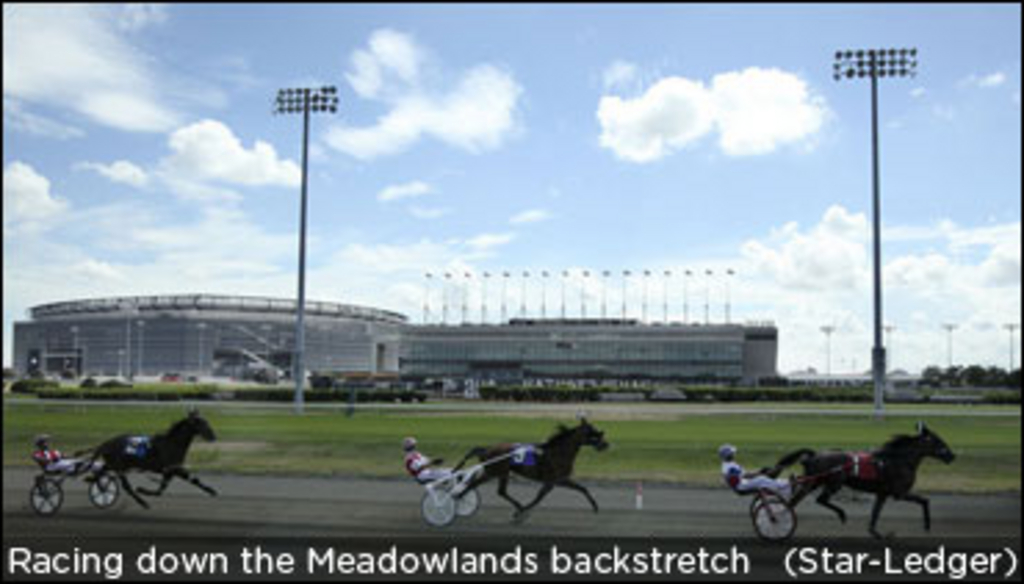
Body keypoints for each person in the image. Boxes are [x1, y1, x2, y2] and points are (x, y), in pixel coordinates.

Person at [718, 444, 792, 498]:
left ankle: (784, 484)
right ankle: (786, 488)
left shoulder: (729, 464)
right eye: (732, 453)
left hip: (742, 483)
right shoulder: (730, 467)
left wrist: (759, 471)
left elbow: (744, 474)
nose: (734, 454)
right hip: (742, 486)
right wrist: (758, 473)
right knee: (761, 479)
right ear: (729, 455)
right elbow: (745, 475)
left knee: (763, 478)